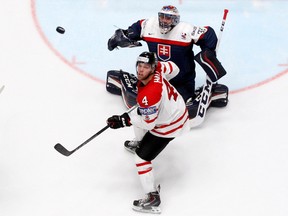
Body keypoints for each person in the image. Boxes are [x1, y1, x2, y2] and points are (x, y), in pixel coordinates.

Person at [106, 51, 190, 214]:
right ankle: (140, 141)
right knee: (136, 112)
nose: (140, 70)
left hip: (171, 124)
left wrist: (124, 121)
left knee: (141, 157)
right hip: (176, 109)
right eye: (139, 66)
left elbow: (149, 124)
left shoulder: (149, 95)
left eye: (145, 67)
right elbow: (175, 68)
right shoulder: (158, 69)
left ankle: (152, 198)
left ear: (151, 68)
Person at [107, 5, 228, 106]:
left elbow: (209, 34)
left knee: (176, 105)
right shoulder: (149, 25)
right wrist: (121, 36)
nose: (164, 21)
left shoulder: (186, 29)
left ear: (175, 20)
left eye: (168, 18)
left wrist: (209, 53)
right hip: (155, 78)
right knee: (146, 100)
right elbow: (134, 30)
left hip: (182, 81)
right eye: (162, 17)